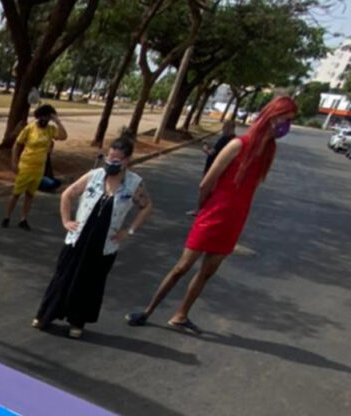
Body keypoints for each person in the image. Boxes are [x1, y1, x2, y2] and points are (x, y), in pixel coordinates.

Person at [126, 96, 297, 334]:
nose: (286, 125)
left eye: (290, 121)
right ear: (271, 116)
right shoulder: (238, 145)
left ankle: (181, 315)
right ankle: (147, 311)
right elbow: (206, 183)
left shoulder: (269, 151)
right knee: (182, 267)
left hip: (235, 218)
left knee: (207, 272)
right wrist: (203, 208)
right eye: (285, 119)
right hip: (213, 213)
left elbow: (252, 187)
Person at [33, 131, 154, 339]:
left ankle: (77, 322)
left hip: (104, 245)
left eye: (117, 159)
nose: (111, 162)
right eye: (110, 157)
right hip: (78, 239)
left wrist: (130, 230)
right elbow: (67, 194)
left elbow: (146, 207)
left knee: (90, 284)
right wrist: (66, 221)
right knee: (62, 277)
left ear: (127, 161)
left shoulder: (134, 184)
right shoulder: (94, 176)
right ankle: (46, 315)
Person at [2, 104, 67, 230]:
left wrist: (57, 120)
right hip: (26, 165)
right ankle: (7, 217)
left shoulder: (51, 129)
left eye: (48, 117)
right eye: (44, 116)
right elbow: (17, 144)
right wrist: (14, 162)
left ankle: (24, 219)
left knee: (30, 195)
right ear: (38, 116)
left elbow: (63, 136)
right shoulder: (30, 128)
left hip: (39, 168)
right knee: (16, 193)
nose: (45, 119)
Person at [188, 120, 238, 215]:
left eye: (224, 126)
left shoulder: (224, 139)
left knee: (205, 187)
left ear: (228, 127)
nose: (223, 128)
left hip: (213, 166)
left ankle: (199, 210)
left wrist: (205, 147)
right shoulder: (234, 140)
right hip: (224, 168)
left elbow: (212, 153)